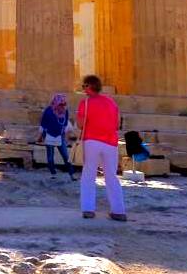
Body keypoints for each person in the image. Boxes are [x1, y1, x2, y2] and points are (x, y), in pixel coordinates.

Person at [76, 75, 126, 221]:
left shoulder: (85, 103)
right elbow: (117, 124)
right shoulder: (111, 102)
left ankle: (88, 209)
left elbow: (80, 125)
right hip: (111, 143)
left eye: (84, 86)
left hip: (91, 141)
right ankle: (119, 211)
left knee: (88, 174)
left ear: (90, 86)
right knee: (111, 176)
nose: (83, 89)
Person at [38, 94, 76, 180]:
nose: (63, 106)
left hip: (60, 135)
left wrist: (65, 135)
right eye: (61, 104)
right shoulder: (48, 110)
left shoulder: (65, 111)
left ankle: (72, 174)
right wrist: (40, 136)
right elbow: (43, 123)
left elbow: (65, 123)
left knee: (66, 156)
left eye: (64, 104)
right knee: (50, 157)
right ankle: (53, 173)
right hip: (49, 135)